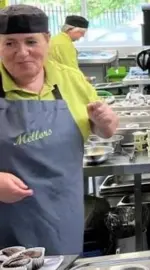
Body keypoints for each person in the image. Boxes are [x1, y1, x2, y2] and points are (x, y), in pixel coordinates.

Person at [0, 5, 118, 255]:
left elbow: (104, 130)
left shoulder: (70, 80)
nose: (22, 53)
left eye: (31, 41)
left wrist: (106, 123)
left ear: (47, 41)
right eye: (10, 43)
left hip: (61, 215)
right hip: (6, 222)